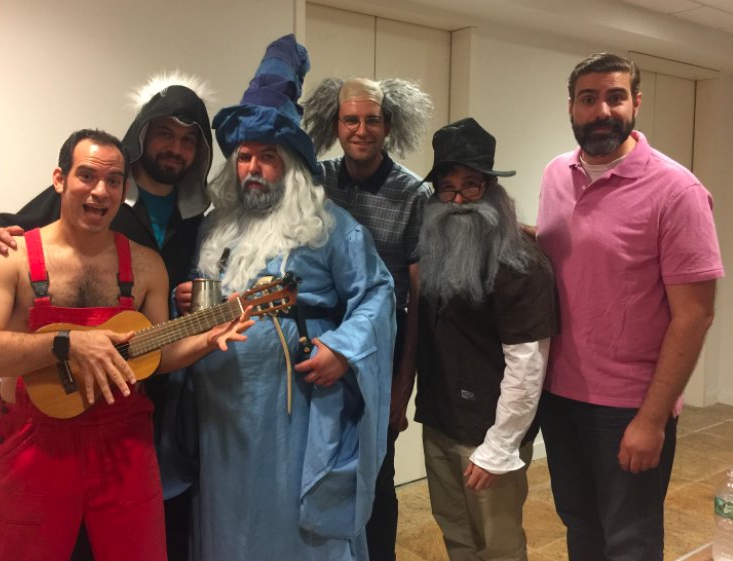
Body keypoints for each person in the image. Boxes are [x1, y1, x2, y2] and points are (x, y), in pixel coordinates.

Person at [0, 129, 249, 561]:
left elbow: (156, 356)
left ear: (123, 189)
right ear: (60, 179)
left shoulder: (147, 266)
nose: (100, 191)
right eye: (87, 175)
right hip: (35, 445)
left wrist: (206, 340)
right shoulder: (7, 256)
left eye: (113, 181)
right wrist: (67, 344)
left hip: (124, 444)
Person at [185, 34, 396, 561]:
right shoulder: (215, 228)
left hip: (294, 410)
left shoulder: (329, 226)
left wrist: (343, 349)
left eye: (268, 157)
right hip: (221, 411)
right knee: (226, 517)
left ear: (293, 165)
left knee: (287, 526)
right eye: (244, 157)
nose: (253, 168)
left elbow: (377, 293)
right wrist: (183, 301)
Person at [536, 53, 724, 561]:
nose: (602, 110)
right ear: (571, 107)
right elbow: (574, 253)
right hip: (559, 395)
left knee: (630, 541)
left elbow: (695, 315)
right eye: (588, 98)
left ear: (635, 103)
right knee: (580, 526)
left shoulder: (677, 191)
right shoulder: (556, 174)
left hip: (628, 407)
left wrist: (652, 419)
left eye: (615, 97)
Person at [413, 118, 557, 561]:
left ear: (491, 188)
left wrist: (499, 447)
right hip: (440, 422)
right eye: (447, 188)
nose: (458, 200)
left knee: (498, 546)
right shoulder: (434, 250)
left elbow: (528, 363)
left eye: (470, 186)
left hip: (488, 433)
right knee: (456, 535)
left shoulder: (521, 263)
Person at [302, 76, 433, 561]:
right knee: (318, 464)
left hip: (381, 349)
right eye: (351, 120)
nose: (361, 130)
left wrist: (402, 386)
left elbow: (417, 299)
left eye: (372, 120)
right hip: (318, 343)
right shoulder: (316, 180)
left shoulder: (414, 194)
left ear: (388, 126)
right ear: (335, 124)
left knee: (376, 476)